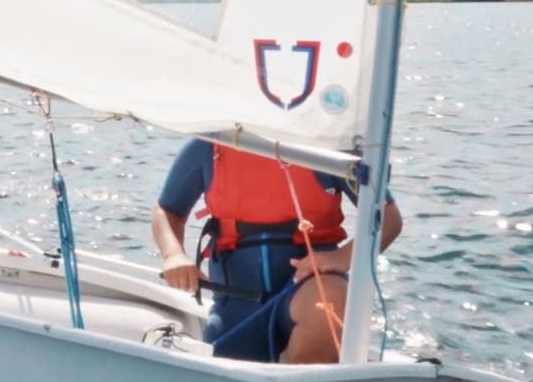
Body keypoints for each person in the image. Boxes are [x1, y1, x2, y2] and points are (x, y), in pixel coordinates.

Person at [150, 138, 403, 366]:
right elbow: (167, 212)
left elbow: (388, 217)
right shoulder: (208, 146)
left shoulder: (329, 150)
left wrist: (342, 258)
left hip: (305, 286)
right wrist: (173, 255)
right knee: (224, 373)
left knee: (328, 303)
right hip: (236, 303)